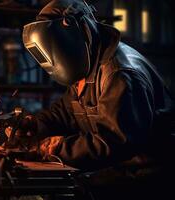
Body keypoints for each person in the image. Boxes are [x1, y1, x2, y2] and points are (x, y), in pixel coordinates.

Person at [10, 0, 175, 199]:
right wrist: (37, 125)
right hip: (118, 174)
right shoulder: (88, 65)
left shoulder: (120, 73)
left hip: (148, 180)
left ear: (80, 33)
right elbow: (65, 112)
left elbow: (115, 141)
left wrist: (55, 148)